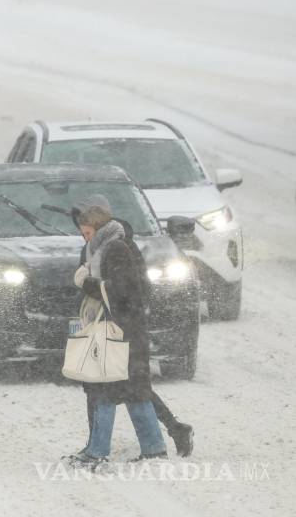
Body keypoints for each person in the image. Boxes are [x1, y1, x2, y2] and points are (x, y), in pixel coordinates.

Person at [71, 195, 194, 459]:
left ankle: (97, 451)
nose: (85, 239)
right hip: (121, 328)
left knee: (104, 390)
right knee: (134, 391)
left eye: (88, 233)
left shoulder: (115, 249)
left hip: (120, 330)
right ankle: (155, 447)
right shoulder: (100, 248)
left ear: (98, 226)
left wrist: (87, 283)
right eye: (83, 234)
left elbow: (125, 290)